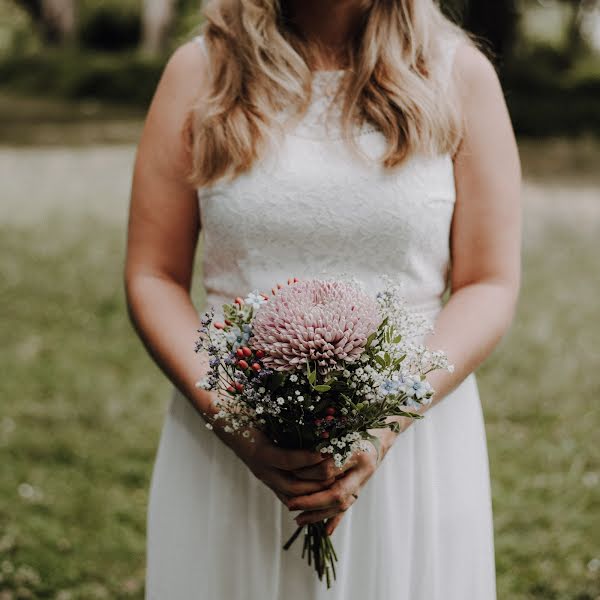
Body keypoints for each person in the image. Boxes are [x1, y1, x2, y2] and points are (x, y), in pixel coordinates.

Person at [124, 0, 521, 598]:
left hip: (412, 441)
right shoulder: (201, 70)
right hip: (228, 436)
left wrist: (385, 422)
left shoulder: (460, 74)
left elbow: (488, 282)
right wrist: (238, 424)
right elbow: (153, 273)